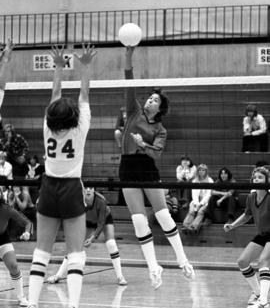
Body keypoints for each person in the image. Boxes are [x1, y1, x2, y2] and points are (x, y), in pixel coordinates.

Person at [26, 44, 97, 308]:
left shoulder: (46, 127)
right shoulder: (79, 129)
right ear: (73, 119)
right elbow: (84, 95)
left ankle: (32, 304)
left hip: (48, 186)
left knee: (41, 252)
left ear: (51, 117)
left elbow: (54, 96)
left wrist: (58, 65)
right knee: (76, 254)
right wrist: (85, 66)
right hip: (70, 188)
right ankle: (72, 307)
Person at [118, 46, 194, 290]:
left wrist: (143, 144)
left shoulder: (161, 130)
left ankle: (182, 260)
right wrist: (129, 57)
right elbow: (129, 82)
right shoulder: (133, 111)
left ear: (160, 108)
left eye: (155, 100)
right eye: (150, 97)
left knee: (162, 215)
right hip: (127, 168)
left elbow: (157, 152)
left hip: (148, 168)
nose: (150, 100)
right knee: (139, 221)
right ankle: (153, 267)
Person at [47, 187, 127, 286]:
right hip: (87, 221)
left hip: (104, 220)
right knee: (73, 247)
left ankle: (120, 277)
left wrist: (92, 238)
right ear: (82, 190)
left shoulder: (101, 201)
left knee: (111, 244)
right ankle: (58, 276)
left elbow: (101, 223)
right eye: (86, 188)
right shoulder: (77, 200)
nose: (88, 190)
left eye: (91, 188)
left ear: (94, 190)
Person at [224, 166, 270, 308]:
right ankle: (257, 293)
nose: (257, 180)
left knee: (263, 260)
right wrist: (232, 225)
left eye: (260, 177)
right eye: (255, 177)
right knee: (242, 261)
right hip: (263, 234)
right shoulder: (251, 197)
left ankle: (263, 301)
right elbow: (247, 215)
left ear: (267, 180)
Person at [0, 188, 31, 307]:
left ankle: (21, 297)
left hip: (2, 239)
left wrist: (27, 232)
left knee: (14, 266)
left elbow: (27, 223)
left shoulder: (6, 209)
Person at [181, 164, 214, 234]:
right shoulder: (195, 181)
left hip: (206, 202)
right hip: (196, 200)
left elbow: (208, 195)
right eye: (200, 170)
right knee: (192, 210)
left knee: (200, 211)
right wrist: (196, 203)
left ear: (206, 171)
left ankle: (193, 227)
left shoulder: (210, 180)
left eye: (203, 170)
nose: (201, 171)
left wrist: (201, 204)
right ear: (198, 171)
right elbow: (194, 194)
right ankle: (185, 226)